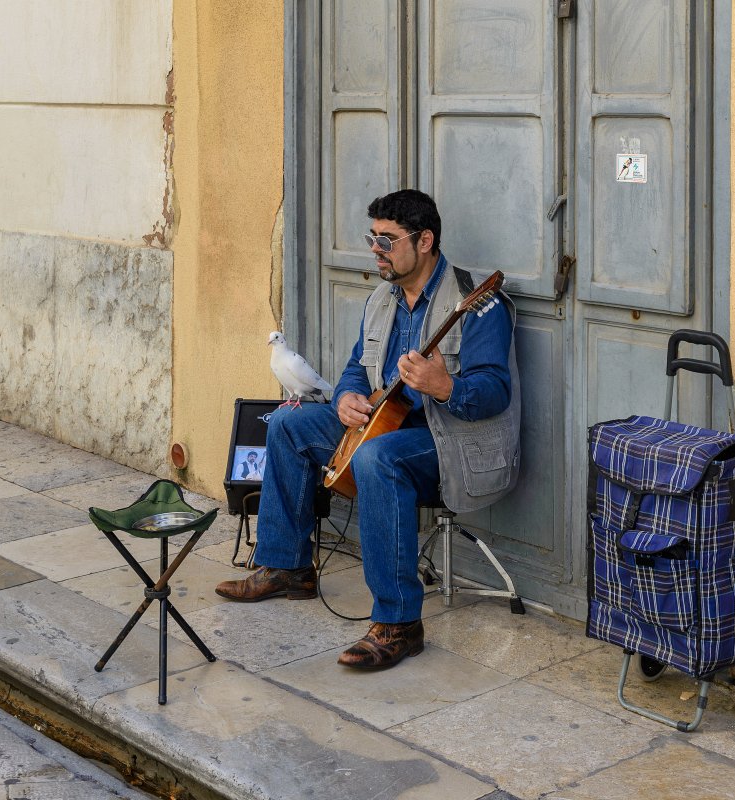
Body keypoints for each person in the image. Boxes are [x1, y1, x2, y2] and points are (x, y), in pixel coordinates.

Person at [215, 190, 521, 670]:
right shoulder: (383, 297)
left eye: (387, 240)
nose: (375, 249)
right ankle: (286, 566)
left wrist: (445, 386)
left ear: (424, 241)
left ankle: (399, 623)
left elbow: (496, 391)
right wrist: (346, 399)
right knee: (289, 423)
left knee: (378, 457)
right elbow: (358, 368)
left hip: (450, 440)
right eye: (372, 237)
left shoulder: (477, 303)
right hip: (383, 423)